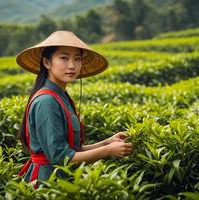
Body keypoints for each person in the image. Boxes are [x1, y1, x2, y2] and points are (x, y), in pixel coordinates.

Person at [16, 30, 133, 187]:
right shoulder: (46, 102)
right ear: (47, 62)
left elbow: (72, 150)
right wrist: (108, 151)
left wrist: (107, 143)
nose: (72, 65)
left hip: (62, 179)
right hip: (47, 183)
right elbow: (61, 157)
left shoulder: (61, 96)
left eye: (77, 59)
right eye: (64, 58)